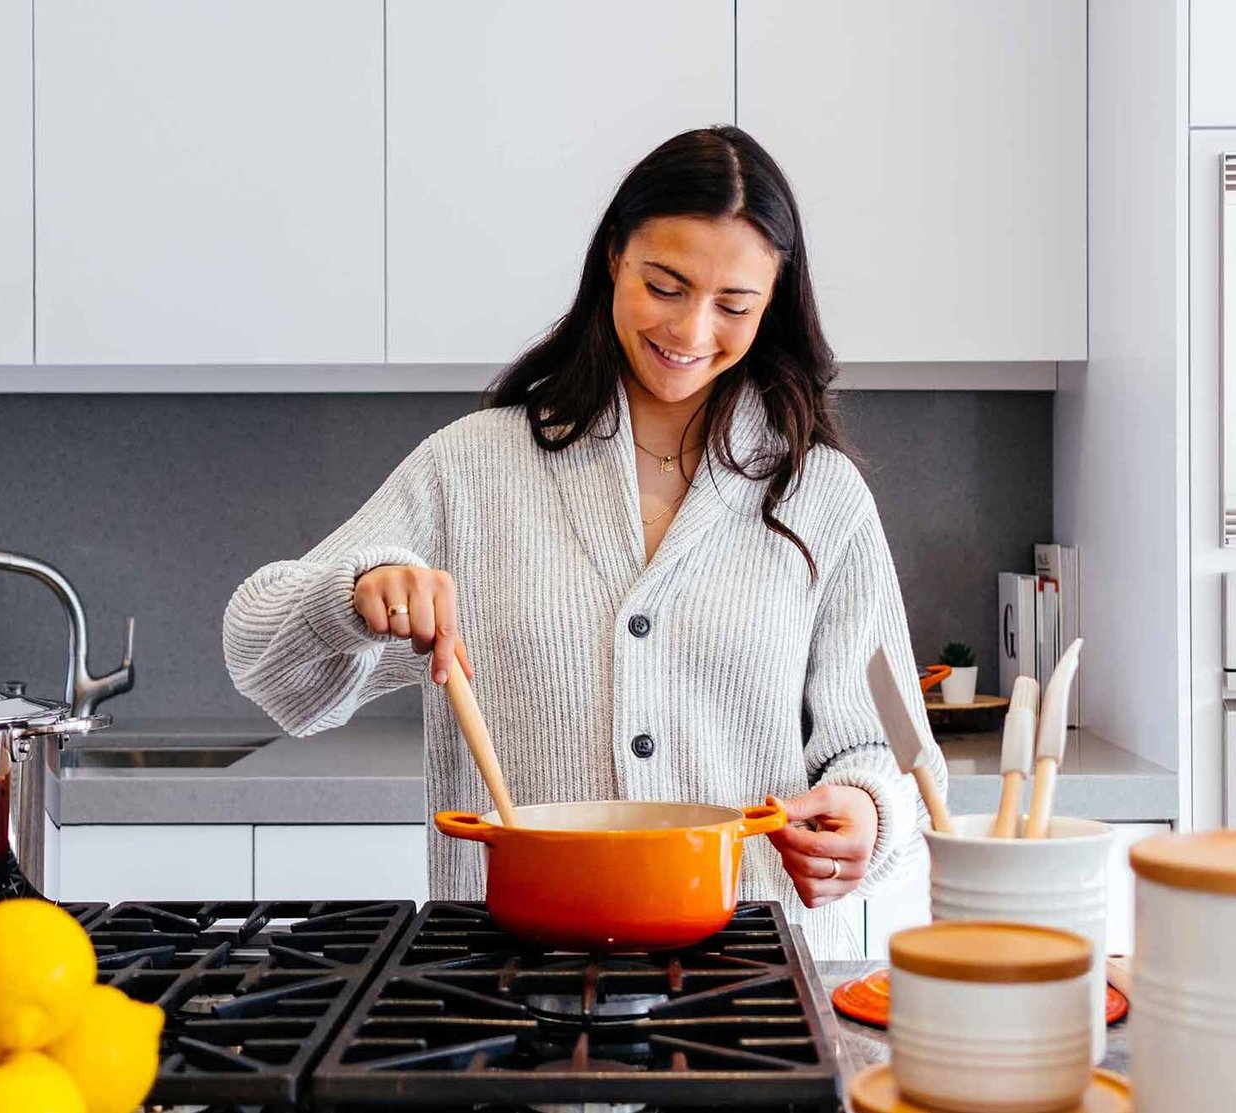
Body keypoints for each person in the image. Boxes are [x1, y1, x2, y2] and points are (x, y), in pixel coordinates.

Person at [222, 125, 946, 958]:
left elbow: (892, 751)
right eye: (665, 285)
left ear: (774, 300)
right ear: (613, 258)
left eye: (734, 305)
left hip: (746, 983)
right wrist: (352, 595)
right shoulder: (476, 467)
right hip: (502, 980)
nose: (692, 329)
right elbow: (262, 659)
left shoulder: (820, 494)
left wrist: (864, 812)